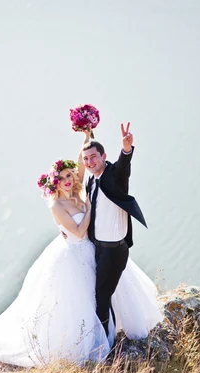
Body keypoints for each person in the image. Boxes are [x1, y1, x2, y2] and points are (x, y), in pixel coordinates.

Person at [0, 125, 162, 367]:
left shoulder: (83, 186)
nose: (68, 180)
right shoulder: (57, 205)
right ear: (55, 183)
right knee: (84, 301)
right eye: (62, 179)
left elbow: (90, 167)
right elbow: (80, 230)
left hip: (96, 251)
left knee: (102, 295)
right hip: (74, 255)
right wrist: (90, 209)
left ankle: (107, 336)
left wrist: (91, 139)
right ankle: (94, 343)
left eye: (69, 176)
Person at [82, 122, 148, 341]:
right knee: (102, 295)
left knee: (101, 296)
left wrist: (127, 150)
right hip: (97, 248)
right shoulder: (91, 181)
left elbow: (123, 167)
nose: (90, 162)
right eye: (86, 159)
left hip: (114, 250)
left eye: (94, 157)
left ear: (103, 156)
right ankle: (107, 334)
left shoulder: (113, 175)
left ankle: (103, 343)